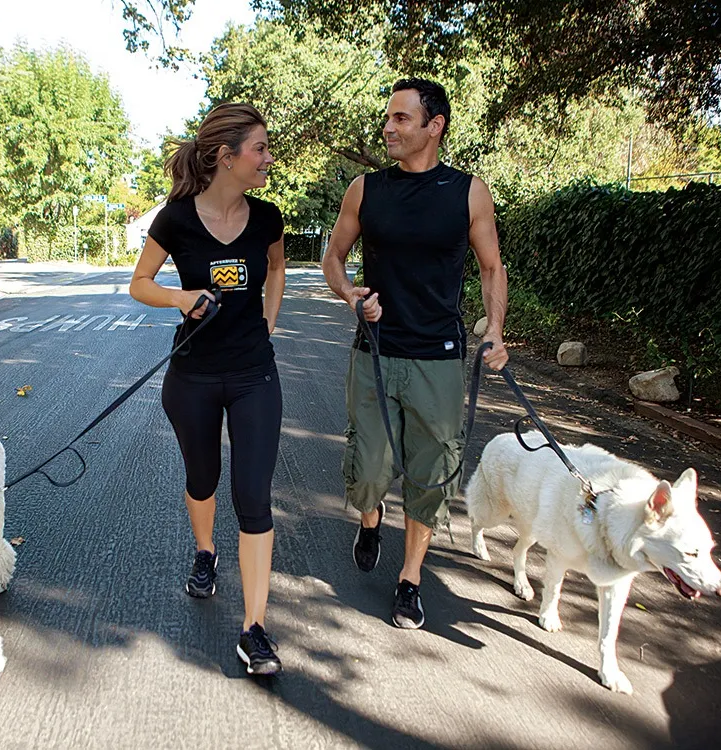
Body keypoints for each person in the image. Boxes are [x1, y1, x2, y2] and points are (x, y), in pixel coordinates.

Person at [321, 78, 509, 630]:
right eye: (388, 117)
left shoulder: (468, 192)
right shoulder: (366, 189)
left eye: (402, 119)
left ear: (434, 126)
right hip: (375, 350)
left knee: (431, 473)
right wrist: (350, 293)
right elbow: (334, 255)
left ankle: (409, 581)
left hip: (439, 358)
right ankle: (372, 518)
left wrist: (494, 328)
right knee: (370, 469)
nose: (388, 128)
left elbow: (492, 267)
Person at [129, 103, 286, 675]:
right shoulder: (174, 220)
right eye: (261, 148)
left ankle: (254, 630)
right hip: (191, 375)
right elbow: (139, 283)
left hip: (254, 376)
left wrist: (268, 324)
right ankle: (204, 552)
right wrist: (179, 298)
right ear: (227, 156)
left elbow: (277, 270)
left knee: (254, 498)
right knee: (202, 478)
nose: (269, 158)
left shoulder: (269, 217)